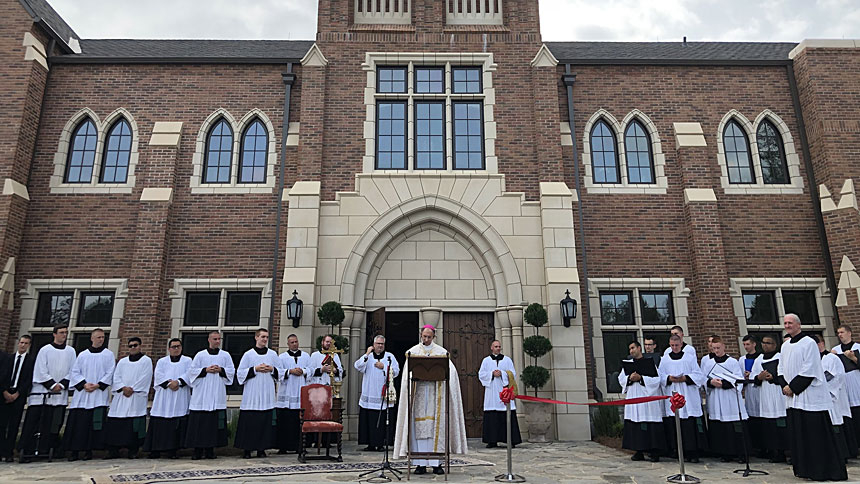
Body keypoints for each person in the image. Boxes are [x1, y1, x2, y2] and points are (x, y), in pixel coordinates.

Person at [779, 313, 847, 481]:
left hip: (809, 396)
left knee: (815, 436)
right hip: (793, 398)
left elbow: (810, 368)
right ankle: (805, 469)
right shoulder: (785, 346)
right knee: (800, 436)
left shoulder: (808, 343)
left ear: (798, 325)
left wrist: (793, 387)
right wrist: (784, 386)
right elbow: (780, 368)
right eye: (785, 323)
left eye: (790, 323)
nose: (787, 326)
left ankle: (823, 470)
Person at [393, 325, 468, 476]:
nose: (426, 339)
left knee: (436, 429)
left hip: (435, 397)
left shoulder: (441, 352)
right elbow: (406, 376)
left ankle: (436, 464)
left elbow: (451, 373)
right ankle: (419, 464)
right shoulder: (413, 352)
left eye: (429, 337)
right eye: (424, 336)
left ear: (434, 337)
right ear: (421, 335)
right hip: (418, 396)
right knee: (417, 430)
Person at [19, 324, 76, 463]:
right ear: (54, 334)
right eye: (61, 332)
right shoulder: (45, 350)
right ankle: (28, 449)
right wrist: (50, 384)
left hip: (59, 395)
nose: (64, 335)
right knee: (34, 422)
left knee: (53, 424)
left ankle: (49, 449)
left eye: (66, 333)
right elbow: (40, 369)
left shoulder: (71, 351)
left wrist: (61, 385)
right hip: (41, 393)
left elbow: (73, 370)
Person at [64, 329, 115, 461]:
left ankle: (89, 451)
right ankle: (74, 451)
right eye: (98, 337)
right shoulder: (82, 355)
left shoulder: (108, 355)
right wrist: (84, 384)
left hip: (98, 395)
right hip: (82, 396)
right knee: (78, 425)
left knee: (94, 425)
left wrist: (98, 385)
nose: (101, 339)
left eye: (103, 337)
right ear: (92, 338)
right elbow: (74, 372)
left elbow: (110, 372)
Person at [185, 330, 235, 460]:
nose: (217, 341)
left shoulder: (225, 355)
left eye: (219, 339)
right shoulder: (200, 355)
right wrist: (205, 370)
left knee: (212, 426)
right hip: (201, 395)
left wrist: (221, 370)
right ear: (209, 340)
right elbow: (191, 372)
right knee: (199, 425)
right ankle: (197, 450)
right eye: (215, 339)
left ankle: (210, 450)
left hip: (216, 393)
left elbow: (231, 371)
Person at [235, 328, 282, 459]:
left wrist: (272, 369)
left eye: (266, 337)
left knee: (264, 423)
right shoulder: (248, 355)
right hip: (252, 394)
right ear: (256, 338)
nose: (265, 339)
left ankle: (262, 449)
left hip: (266, 392)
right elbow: (240, 373)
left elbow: (281, 373)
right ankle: (247, 449)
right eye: (262, 337)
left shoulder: (272, 354)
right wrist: (255, 369)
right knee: (250, 423)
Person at [659, 334, 707, 463]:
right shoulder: (665, 360)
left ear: (681, 344)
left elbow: (699, 376)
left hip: (687, 395)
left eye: (677, 345)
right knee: (674, 424)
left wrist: (685, 378)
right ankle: (676, 451)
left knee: (689, 426)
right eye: (672, 345)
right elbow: (660, 376)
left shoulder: (689, 358)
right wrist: (669, 378)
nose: (674, 348)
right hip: (672, 392)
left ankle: (692, 452)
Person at [700, 336, 748, 463]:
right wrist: (711, 382)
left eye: (718, 348)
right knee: (720, 426)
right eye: (714, 348)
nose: (716, 351)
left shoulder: (732, 362)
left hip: (730, 397)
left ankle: (741, 453)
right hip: (716, 397)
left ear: (723, 347)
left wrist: (725, 384)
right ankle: (725, 453)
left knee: (734, 426)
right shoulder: (709, 363)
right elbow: (702, 379)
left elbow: (739, 379)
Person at [104, 337, 153, 459]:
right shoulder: (122, 362)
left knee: (133, 426)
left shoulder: (146, 361)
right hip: (121, 396)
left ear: (140, 346)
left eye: (135, 345)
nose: (133, 348)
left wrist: (132, 389)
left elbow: (145, 377)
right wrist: (122, 388)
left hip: (136, 397)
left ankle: (133, 450)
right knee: (117, 424)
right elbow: (116, 376)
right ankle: (114, 450)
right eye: (130, 346)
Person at [144, 338, 191, 459]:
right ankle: (155, 450)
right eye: (174, 347)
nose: (176, 349)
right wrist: (169, 384)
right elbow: (158, 375)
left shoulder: (187, 360)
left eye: (178, 346)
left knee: (176, 423)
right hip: (164, 397)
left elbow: (190, 374)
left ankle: (173, 450)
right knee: (160, 423)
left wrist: (179, 382)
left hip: (179, 395)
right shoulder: (162, 361)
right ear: (169, 349)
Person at [619, 340, 665, 462]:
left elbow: (656, 380)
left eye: (633, 347)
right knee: (635, 422)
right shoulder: (628, 364)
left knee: (651, 424)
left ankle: (654, 452)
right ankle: (638, 450)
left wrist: (641, 378)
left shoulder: (649, 363)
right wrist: (629, 378)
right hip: (634, 396)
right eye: (630, 349)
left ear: (639, 348)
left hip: (647, 398)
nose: (631, 351)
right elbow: (621, 379)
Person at [355, 335, 400, 451]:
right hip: (369, 393)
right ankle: (370, 443)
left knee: (382, 421)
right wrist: (366, 354)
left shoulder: (389, 356)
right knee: (369, 420)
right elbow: (358, 366)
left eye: (382, 344)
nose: (380, 346)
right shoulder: (368, 357)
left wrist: (384, 366)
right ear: (373, 345)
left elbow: (396, 371)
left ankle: (381, 443)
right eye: (378, 344)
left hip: (382, 394)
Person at [750, 335, 788, 462]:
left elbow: (785, 374)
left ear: (774, 345)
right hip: (765, 393)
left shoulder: (780, 357)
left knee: (781, 424)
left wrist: (774, 377)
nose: (765, 345)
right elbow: (753, 377)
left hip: (777, 393)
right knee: (769, 425)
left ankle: (784, 451)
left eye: (768, 343)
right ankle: (773, 450)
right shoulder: (759, 359)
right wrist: (759, 377)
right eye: (763, 342)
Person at [817, 334, 854, 462]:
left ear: (821, 344)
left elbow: (836, 376)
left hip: (833, 396)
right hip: (820, 397)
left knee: (836, 423)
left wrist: (824, 388)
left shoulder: (831, 358)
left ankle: (842, 454)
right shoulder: (814, 359)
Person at [478, 340, 521, 449]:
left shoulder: (507, 360)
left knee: (507, 414)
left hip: (504, 390)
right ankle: (492, 441)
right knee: (492, 415)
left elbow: (512, 373)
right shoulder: (486, 361)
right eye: (496, 346)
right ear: (491, 348)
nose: (498, 348)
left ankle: (510, 440)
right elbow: (481, 374)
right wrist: (491, 374)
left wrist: (502, 374)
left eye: (499, 346)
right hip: (491, 391)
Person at [0, 335, 34, 462]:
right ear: (18, 343)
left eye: (26, 343)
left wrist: (17, 394)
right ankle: (1, 450)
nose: (22, 345)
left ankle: (9, 452)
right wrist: (4, 391)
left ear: (29, 345)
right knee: (2, 424)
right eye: (21, 342)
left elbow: (28, 380)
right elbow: (2, 375)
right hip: (4, 394)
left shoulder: (30, 361)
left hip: (18, 396)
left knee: (14, 425)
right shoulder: (8, 359)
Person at [276, 334, 309, 454]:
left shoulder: (306, 356)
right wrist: (290, 371)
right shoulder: (282, 357)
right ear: (288, 344)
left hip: (300, 391)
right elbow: (278, 372)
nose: (295, 344)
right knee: (285, 421)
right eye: (292, 342)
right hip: (287, 392)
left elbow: (310, 369)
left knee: (298, 422)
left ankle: (299, 446)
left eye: (296, 342)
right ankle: (283, 447)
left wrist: (303, 371)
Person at [831, 325, 860, 447]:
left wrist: (853, 358)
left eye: (842, 332)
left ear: (849, 333)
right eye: (838, 333)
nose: (840, 335)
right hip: (843, 384)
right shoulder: (835, 349)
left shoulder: (858, 347)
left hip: (856, 381)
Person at [740, 335, 762, 454]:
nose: (746, 347)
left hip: (760, 389)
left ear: (754, 344)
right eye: (744, 345)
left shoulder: (761, 357)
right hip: (749, 390)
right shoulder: (742, 359)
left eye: (748, 344)